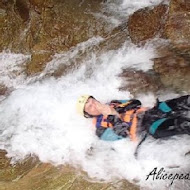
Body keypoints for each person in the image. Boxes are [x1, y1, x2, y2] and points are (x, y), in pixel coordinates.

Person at [76, 95, 190, 142]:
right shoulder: (100, 129)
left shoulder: (113, 103)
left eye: (93, 101)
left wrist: (118, 109)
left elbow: (136, 102)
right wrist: (112, 115)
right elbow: (123, 135)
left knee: (185, 101)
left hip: (152, 112)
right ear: (88, 114)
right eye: (90, 106)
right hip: (150, 127)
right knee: (183, 124)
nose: (94, 105)